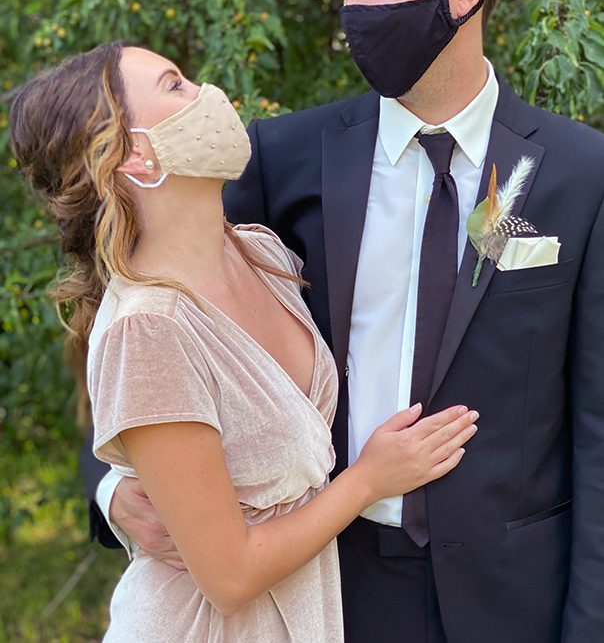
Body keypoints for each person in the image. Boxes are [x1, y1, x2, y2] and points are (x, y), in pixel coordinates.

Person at [86, 0, 604, 642]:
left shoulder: (578, 172)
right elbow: (141, 310)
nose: (354, 8)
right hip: (327, 588)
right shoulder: (285, 157)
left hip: (519, 599)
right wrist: (108, 487)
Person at [10, 41, 478, 641]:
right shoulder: (147, 327)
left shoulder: (260, 252)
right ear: (134, 156)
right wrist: (369, 480)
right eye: (175, 85)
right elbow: (229, 576)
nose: (207, 92)